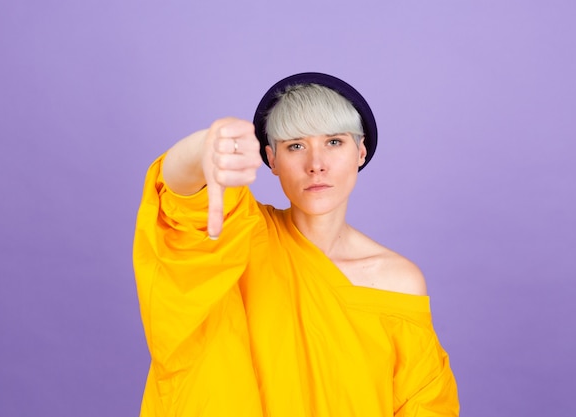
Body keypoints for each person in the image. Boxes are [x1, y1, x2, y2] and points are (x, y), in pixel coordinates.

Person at [133, 72, 459, 416]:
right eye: (296, 146)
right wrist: (204, 149)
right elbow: (180, 203)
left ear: (360, 152)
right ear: (271, 159)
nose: (316, 165)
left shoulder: (400, 281)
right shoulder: (237, 236)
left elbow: (425, 405)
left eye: (334, 142)